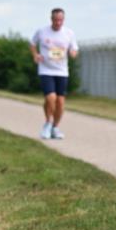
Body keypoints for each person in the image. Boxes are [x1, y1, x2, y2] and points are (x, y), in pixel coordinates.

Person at [30, 8, 79, 139]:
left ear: (63, 20)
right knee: (50, 98)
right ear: (51, 19)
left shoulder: (69, 33)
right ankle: (47, 123)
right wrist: (35, 55)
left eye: (60, 20)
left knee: (60, 102)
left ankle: (55, 127)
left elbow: (74, 49)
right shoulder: (42, 31)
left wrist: (73, 53)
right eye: (56, 20)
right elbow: (32, 44)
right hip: (46, 69)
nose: (58, 23)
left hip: (62, 71)